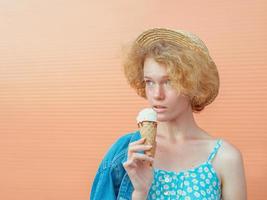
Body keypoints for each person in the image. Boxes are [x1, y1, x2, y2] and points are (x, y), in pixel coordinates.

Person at [90, 28, 247, 200]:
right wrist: (140, 192)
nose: (157, 94)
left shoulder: (225, 157)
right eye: (149, 82)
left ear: (193, 84)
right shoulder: (125, 154)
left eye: (169, 82)